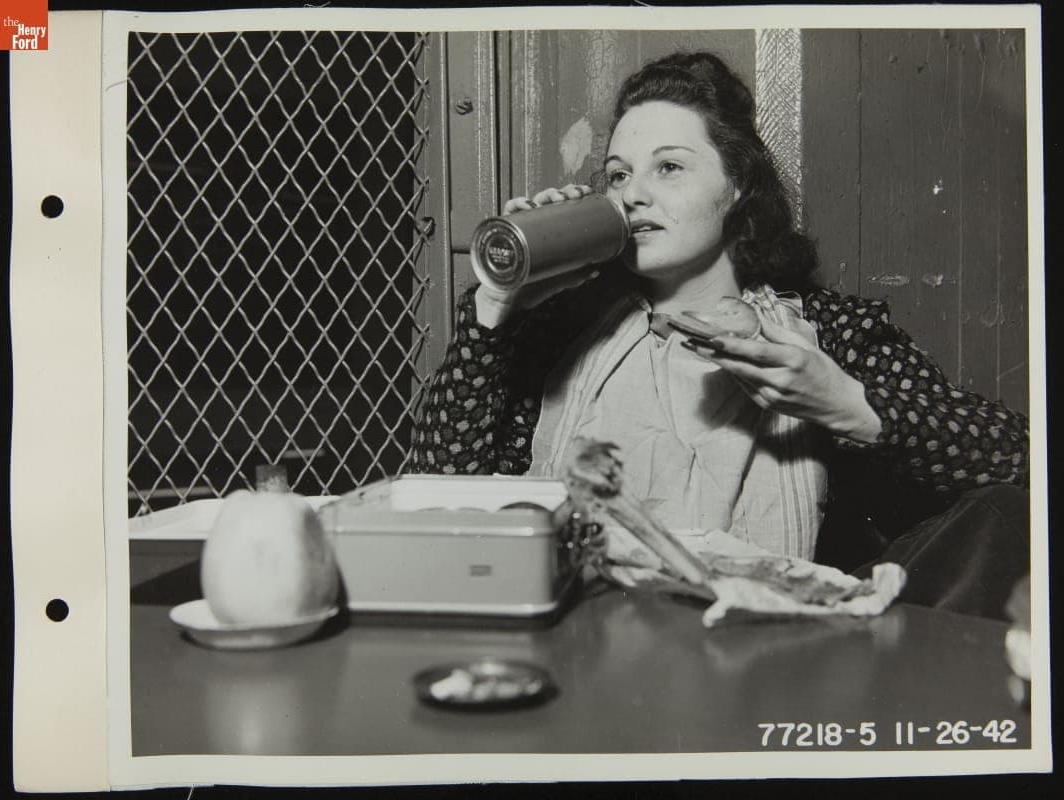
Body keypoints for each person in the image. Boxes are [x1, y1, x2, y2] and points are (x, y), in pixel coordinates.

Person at [408, 51, 1029, 620]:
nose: (634, 195)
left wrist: (848, 409)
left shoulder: (828, 333)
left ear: (736, 187)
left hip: (777, 649)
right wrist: (495, 310)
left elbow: (1018, 461)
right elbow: (435, 490)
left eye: (669, 167)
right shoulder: (562, 339)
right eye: (618, 176)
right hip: (585, 636)